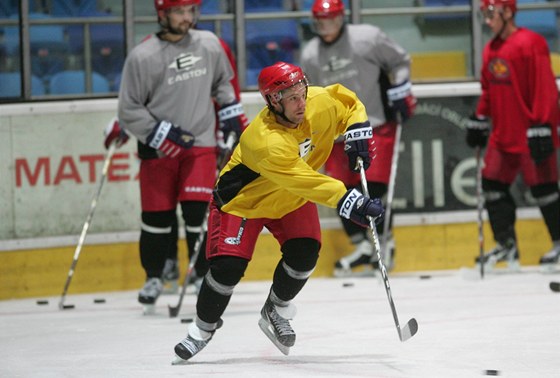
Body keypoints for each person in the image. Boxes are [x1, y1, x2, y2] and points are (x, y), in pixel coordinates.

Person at [171, 62, 384, 364]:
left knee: (305, 254)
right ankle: (201, 330)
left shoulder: (317, 104)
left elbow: (348, 102)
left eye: (302, 92)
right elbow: (304, 179)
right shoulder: (265, 140)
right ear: (273, 101)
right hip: (244, 204)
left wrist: (358, 129)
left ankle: (276, 308)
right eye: (292, 98)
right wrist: (349, 201)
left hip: (289, 198)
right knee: (226, 272)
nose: (301, 102)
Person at [115, 0, 246, 313]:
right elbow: (128, 109)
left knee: (197, 214)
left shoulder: (209, 44)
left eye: (190, 11)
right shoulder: (142, 56)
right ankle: (155, 276)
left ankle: (202, 274)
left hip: (199, 146)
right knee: (156, 219)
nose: (186, 18)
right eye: (179, 12)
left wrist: (230, 115)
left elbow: (223, 85)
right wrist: (159, 130)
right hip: (159, 149)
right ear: (162, 15)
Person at [300, 0, 416, 276]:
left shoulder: (368, 37)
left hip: (373, 125)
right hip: (336, 136)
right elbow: (311, 97)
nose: (325, 26)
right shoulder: (310, 54)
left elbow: (400, 61)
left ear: (341, 18)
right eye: (320, 21)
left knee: (371, 190)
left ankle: (385, 245)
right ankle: (363, 247)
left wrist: (401, 87)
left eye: (330, 19)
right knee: (341, 194)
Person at [466, 0, 560, 271]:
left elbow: (545, 87)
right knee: (492, 185)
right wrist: (480, 117)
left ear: (508, 13)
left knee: (545, 191)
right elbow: (488, 90)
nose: (487, 21)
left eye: (491, 14)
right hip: (503, 136)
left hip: (531, 132)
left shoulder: (531, 43)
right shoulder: (490, 49)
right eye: (483, 14)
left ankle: (558, 243)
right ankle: (507, 246)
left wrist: (542, 124)